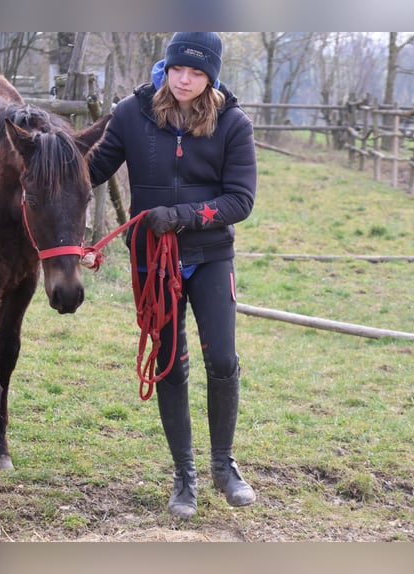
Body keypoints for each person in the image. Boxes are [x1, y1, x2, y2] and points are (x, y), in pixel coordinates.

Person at [89, 32, 257, 519]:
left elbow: (240, 200)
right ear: (166, 67)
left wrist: (182, 215)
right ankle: (184, 477)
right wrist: (47, 162)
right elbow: (93, 168)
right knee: (168, 362)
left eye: (198, 72)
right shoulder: (131, 114)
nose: (185, 80)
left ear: (212, 77)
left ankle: (223, 467)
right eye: (179, 69)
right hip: (151, 258)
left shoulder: (233, 125)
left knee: (222, 359)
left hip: (209, 255)